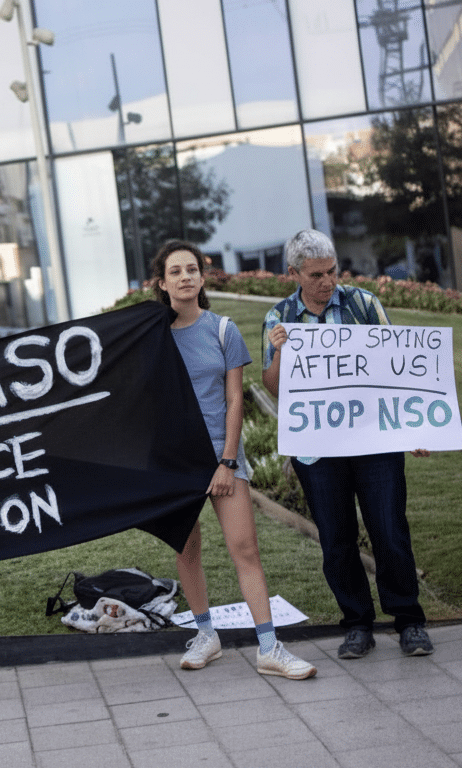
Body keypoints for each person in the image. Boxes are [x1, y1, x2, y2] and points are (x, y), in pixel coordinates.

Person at [262, 229, 434, 659]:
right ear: (294, 274)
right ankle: (357, 624)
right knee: (336, 539)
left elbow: (397, 367)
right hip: (317, 450)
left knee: (389, 531)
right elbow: (275, 387)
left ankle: (409, 622)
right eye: (316, 274)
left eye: (332, 271)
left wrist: (413, 428)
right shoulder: (279, 317)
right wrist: (280, 353)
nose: (327, 281)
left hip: (374, 441)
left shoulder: (363, 304)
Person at [152, 241, 316, 680]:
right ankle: (206, 635)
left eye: (192, 270)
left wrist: (226, 462)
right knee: (186, 551)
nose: (185, 277)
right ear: (162, 283)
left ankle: (269, 647)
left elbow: (233, 401)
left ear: (202, 279)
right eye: (176, 271)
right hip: (177, 465)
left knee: (245, 550)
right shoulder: (151, 338)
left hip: (223, 460)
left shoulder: (223, 330)